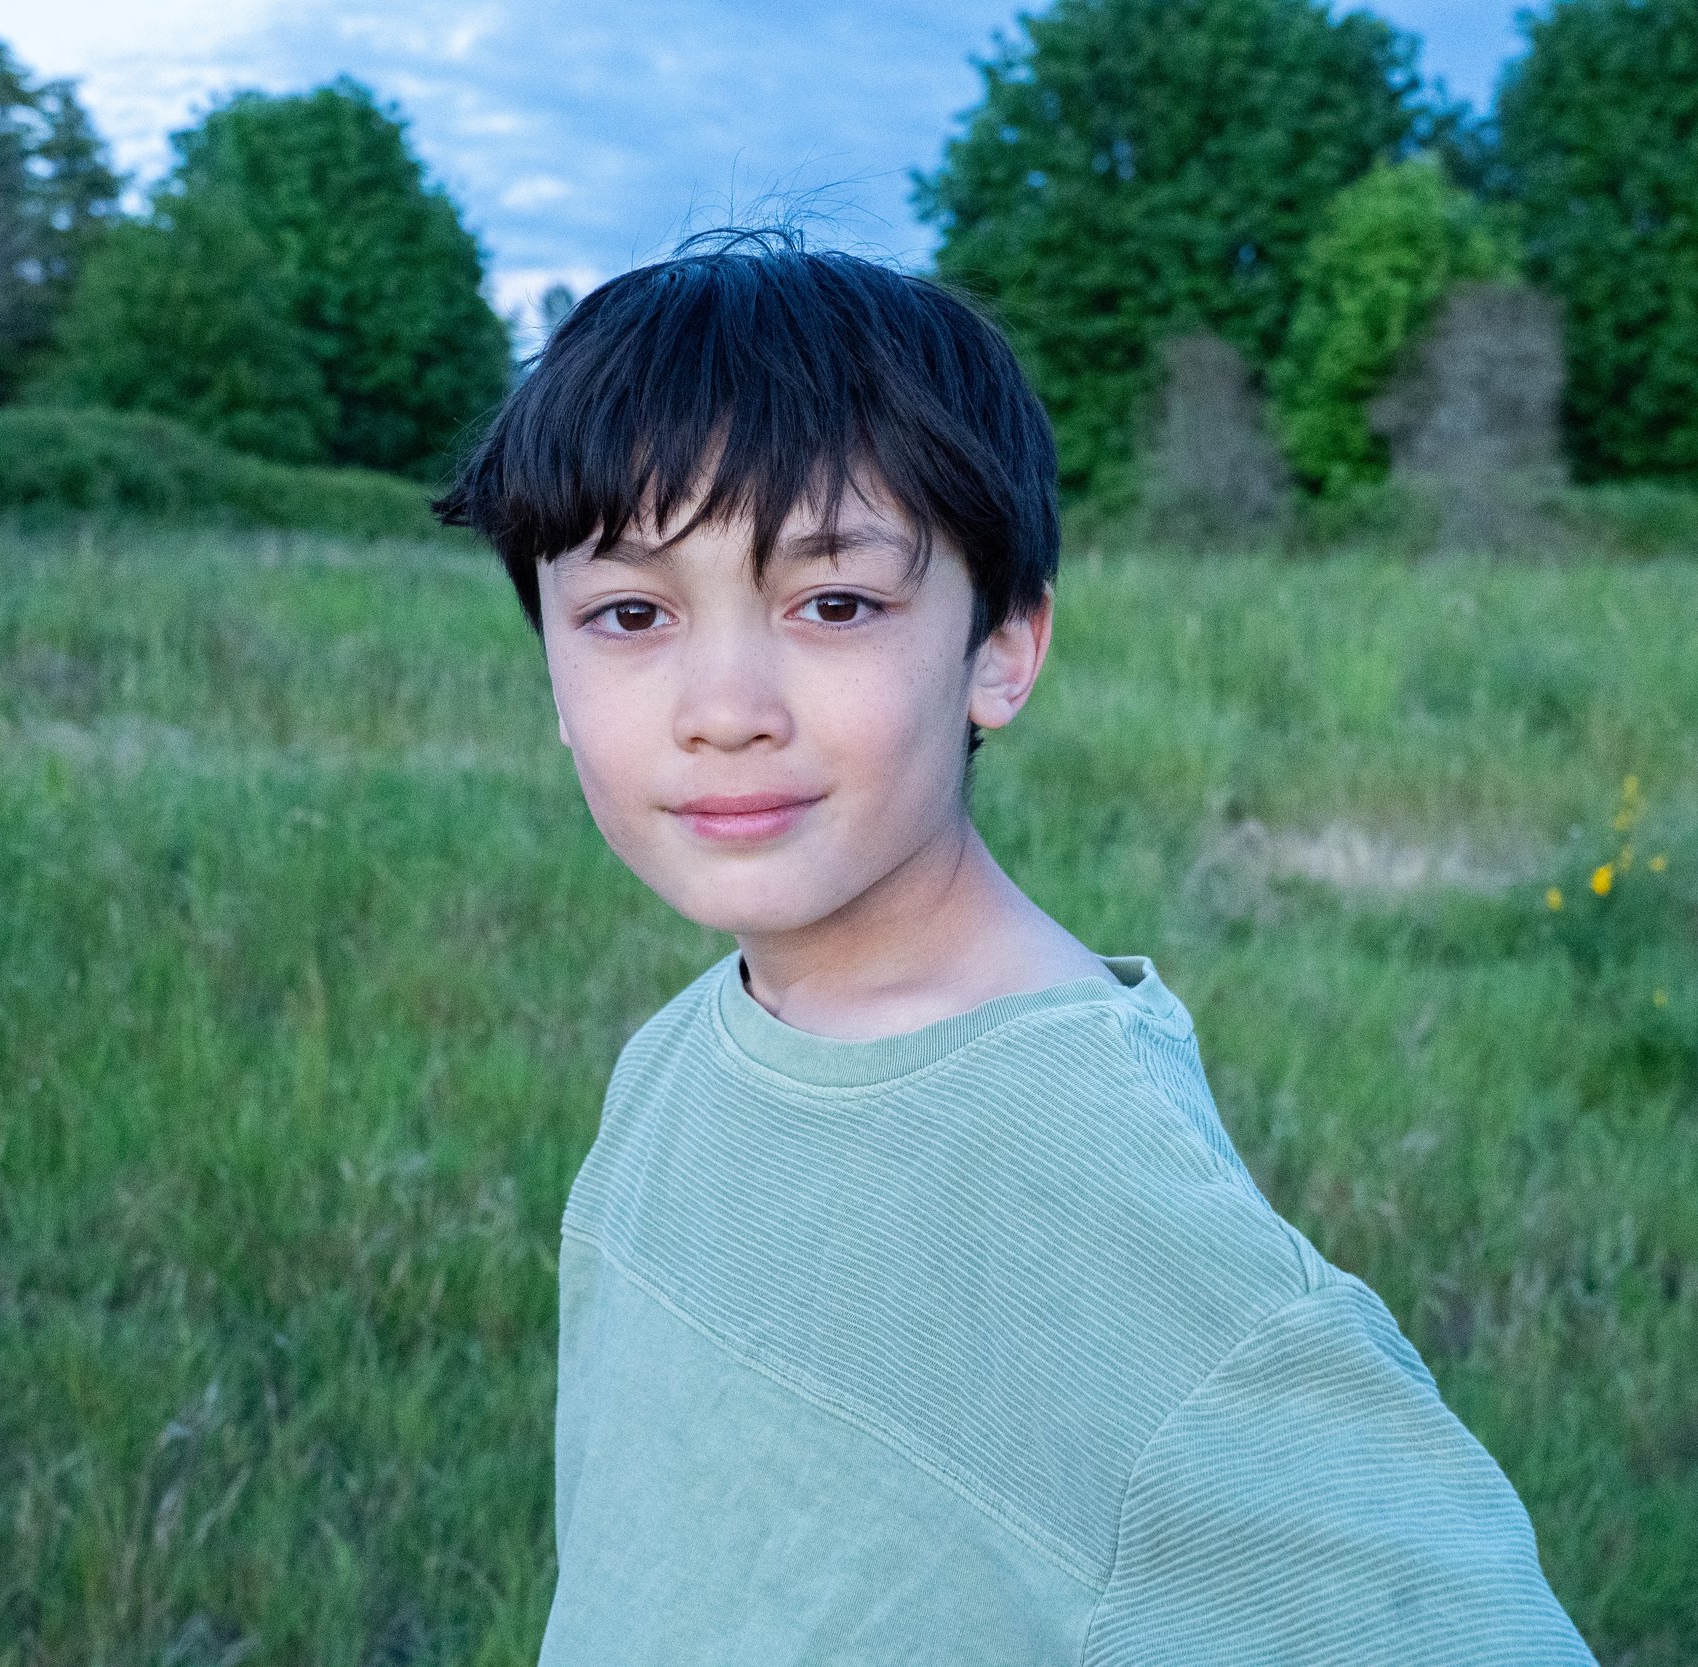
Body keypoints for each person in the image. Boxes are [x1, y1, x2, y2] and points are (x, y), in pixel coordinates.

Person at [433, 231, 1595, 1665]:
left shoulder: (1115, 1221)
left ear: (1002, 649)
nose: (723, 705)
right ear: (549, 665)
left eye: (835, 602)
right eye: (629, 614)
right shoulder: (680, 1056)